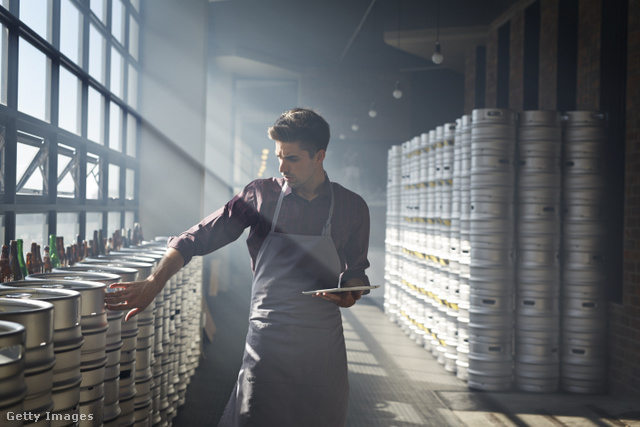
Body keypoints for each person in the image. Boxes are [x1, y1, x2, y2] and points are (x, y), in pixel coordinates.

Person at [105, 107, 371, 426]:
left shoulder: (351, 207)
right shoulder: (261, 196)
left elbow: (356, 270)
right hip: (268, 338)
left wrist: (351, 292)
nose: (282, 167)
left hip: (321, 344)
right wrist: (154, 281)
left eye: (293, 158)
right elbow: (198, 236)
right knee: (254, 414)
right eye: (279, 157)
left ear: (319, 156)